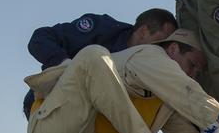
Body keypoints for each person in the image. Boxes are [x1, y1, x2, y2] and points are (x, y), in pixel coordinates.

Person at [26, 29, 219, 133]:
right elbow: (191, 95)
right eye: (192, 64)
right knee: (92, 55)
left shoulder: (165, 97)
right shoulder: (151, 55)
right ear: (173, 49)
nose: (192, 74)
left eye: (198, 72)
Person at [22, 8, 178, 116]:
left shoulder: (151, 71)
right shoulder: (103, 30)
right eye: (159, 43)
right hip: (46, 104)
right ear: (143, 32)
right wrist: (67, 66)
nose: (162, 52)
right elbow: (40, 38)